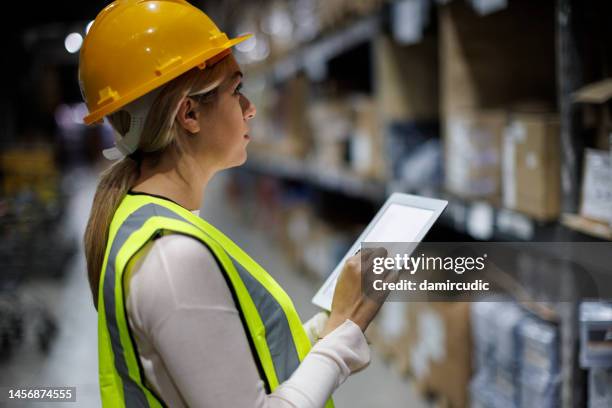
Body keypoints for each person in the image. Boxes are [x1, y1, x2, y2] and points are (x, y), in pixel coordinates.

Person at [79, 1, 388, 407]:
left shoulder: (152, 225)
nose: (251, 108)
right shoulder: (172, 258)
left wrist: (326, 328)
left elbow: (236, 362)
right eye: (236, 90)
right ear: (189, 113)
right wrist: (345, 334)